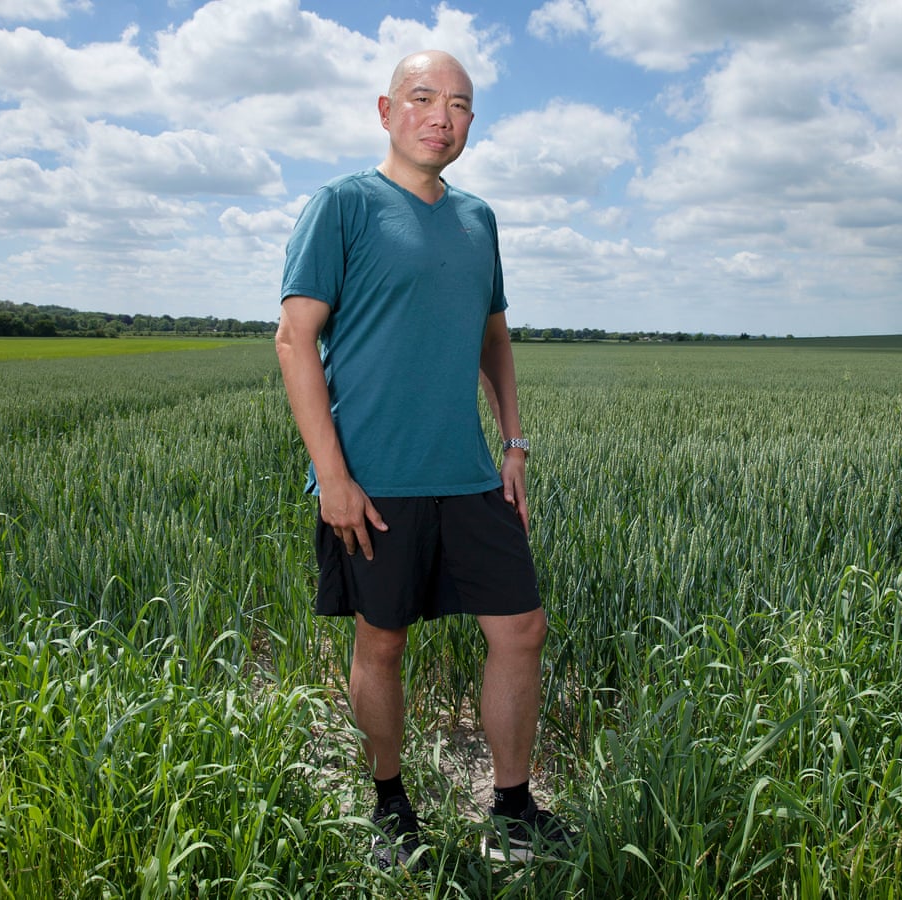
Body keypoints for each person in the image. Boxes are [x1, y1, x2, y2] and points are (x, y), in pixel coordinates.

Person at [275, 49, 571, 870]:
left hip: (471, 473)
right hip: (376, 482)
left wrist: (513, 442)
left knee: (522, 629)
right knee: (382, 645)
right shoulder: (343, 206)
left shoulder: (479, 218)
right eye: (423, 97)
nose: (444, 116)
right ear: (385, 110)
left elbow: (494, 335)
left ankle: (512, 806)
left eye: (462, 105)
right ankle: (389, 804)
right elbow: (295, 338)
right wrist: (331, 476)